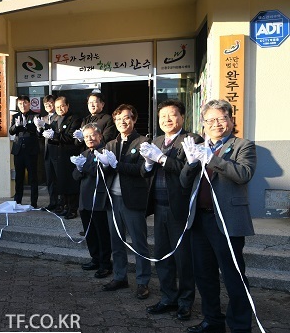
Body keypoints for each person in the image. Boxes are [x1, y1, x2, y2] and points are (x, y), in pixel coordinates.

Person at [180, 99, 256, 333]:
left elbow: (243, 174)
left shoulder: (243, 146)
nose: (216, 124)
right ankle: (213, 319)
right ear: (203, 124)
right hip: (199, 220)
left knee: (234, 278)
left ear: (231, 120)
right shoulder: (198, 147)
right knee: (204, 274)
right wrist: (192, 162)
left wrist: (212, 159)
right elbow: (183, 182)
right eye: (210, 120)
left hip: (226, 220)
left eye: (221, 119)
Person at [140, 100, 202, 321]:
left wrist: (161, 158)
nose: (167, 119)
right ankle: (168, 297)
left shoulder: (192, 140)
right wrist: (148, 163)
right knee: (161, 256)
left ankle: (185, 302)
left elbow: (188, 171)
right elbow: (146, 172)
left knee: (183, 258)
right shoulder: (156, 140)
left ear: (182, 117)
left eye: (172, 115)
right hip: (159, 207)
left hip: (180, 208)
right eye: (163, 116)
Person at [98, 104, 152, 299]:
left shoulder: (143, 142)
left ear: (134, 119)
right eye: (119, 118)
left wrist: (117, 165)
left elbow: (142, 170)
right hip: (112, 200)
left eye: (127, 117)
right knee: (116, 241)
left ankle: (143, 281)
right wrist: (103, 166)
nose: (123, 121)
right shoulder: (110, 143)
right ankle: (120, 276)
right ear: (114, 121)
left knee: (139, 243)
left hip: (133, 200)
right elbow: (106, 172)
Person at [71, 123, 112, 279]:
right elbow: (75, 176)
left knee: (102, 234)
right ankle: (95, 259)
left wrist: (84, 167)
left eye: (92, 135)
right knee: (90, 233)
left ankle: (105, 264)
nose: (89, 139)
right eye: (86, 136)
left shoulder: (105, 152)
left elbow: (101, 172)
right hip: (85, 199)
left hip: (99, 199)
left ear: (100, 136)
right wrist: (79, 168)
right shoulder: (84, 153)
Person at [41, 96, 81, 219]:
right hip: (58, 155)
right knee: (62, 183)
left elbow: (70, 137)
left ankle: (73, 209)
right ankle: (65, 207)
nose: (60, 109)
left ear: (68, 105)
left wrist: (55, 136)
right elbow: (53, 137)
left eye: (62, 106)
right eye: (57, 107)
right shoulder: (56, 119)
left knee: (71, 183)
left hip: (69, 155)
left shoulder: (75, 118)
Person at [9, 95, 40, 208]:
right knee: (19, 177)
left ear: (29, 103)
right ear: (18, 105)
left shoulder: (35, 115)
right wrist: (16, 126)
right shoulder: (15, 116)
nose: (23, 105)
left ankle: (34, 202)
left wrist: (28, 126)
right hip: (18, 151)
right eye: (21, 104)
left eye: (25, 103)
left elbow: (38, 132)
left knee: (33, 177)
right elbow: (11, 131)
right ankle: (18, 201)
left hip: (31, 151)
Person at [34, 94, 59, 210]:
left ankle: (61, 203)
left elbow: (57, 132)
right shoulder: (43, 118)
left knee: (59, 179)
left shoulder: (59, 116)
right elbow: (40, 137)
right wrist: (39, 128)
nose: (48, 105)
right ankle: (52, 202)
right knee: (50, 180)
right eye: (45, 104)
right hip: (47, 152)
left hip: (58, 152)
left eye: (50, 103)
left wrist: (45, 126)